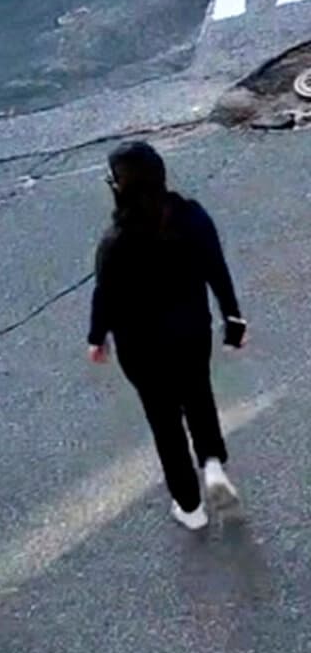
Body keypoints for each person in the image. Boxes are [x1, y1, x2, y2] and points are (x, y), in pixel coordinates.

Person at [88, 141, 246, 531]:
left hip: (141, 349)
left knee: (164, 422)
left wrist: (97, 337)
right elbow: (216, 269)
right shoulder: (191, 218)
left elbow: (104, 295)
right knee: (198, 395)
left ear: (119, 187)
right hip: (191, 333)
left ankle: (190, 507)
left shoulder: (116, 241)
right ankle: (211, 464)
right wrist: (233, 320)